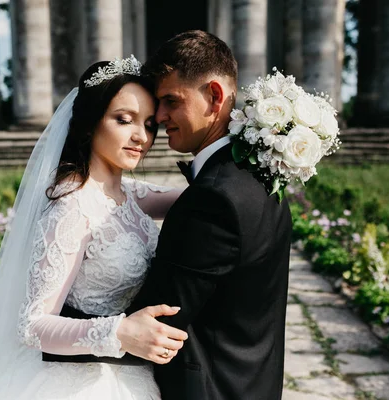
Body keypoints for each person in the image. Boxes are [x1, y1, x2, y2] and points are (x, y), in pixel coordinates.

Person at [0, 56, 188, 400]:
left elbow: (196, 197)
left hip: (129, 375)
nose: (141, 136)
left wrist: (259, 150)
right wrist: (119, 331)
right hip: (80, 382)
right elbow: (33, 326)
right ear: (92, 123)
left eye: (150, 125)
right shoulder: (72, 206)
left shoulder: (128, 195)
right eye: (124, 120)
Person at [123, 31, 292, 400]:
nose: (159, 116)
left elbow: (158, 318)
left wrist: (59, 327)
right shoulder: (262, 173)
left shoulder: (213, 199)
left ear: (214, 96)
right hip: (251, 382)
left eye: (170, 101)